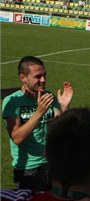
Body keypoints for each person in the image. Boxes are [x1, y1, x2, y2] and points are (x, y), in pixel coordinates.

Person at [2, 56, 73, 191]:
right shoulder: (12, 102)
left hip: (52, 164)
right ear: (23, 77)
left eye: (44, 75)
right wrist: (39, 113)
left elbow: (62, 127)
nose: (43, 80)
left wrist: (64, 107)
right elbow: (17, 137)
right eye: (38, 76)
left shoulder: (48, 96)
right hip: (28, 170)